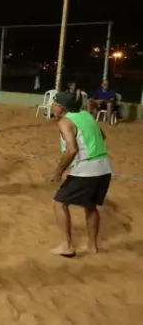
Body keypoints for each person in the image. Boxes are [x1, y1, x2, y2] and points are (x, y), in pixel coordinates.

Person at [50, 91, 112, 257]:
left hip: (87, 169)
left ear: (61, 108)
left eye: (54, 103)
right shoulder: (85, 115)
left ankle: (67, 245)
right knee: (90, 205)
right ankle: (92, 246)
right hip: (104, 167)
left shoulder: (65, 121)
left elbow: (71, 149)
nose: (52, 106)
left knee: (59, 203)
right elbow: (102, 136)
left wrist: (58, 172)